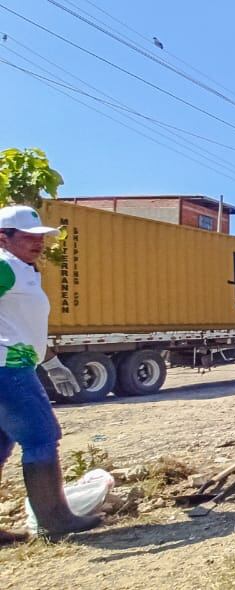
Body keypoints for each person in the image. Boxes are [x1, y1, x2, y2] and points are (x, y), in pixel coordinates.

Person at [0, 205, 102, 543]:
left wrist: (51, 363)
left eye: (39, 236)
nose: (37, 242)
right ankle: (55, 521)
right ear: (4, 238)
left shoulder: (24, 270)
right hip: (7, 369)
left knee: (2, 444)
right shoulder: (5, 266)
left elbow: (24, 326)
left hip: (18, 363)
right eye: (27, 237)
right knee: (41, 437)